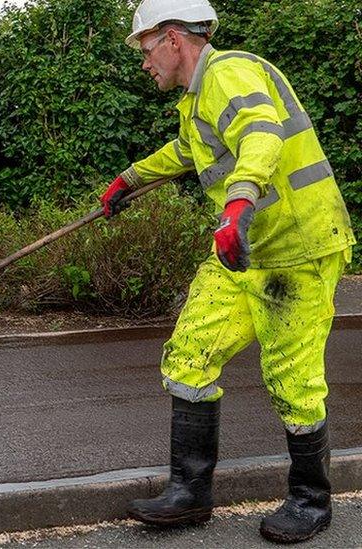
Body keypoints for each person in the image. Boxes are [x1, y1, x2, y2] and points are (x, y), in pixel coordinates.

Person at [100, 0, 357, 543]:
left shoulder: (230, 71)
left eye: (146, 50)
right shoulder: (196, 103)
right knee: (190, 352)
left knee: (293, 380)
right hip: (243, 249)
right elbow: (186, 153)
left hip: (298, 250)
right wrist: (128, 179)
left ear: (173, 39)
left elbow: (261, 132)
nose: (144, 63)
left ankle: (311, 501)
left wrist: (239, 201)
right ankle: (189, 493)